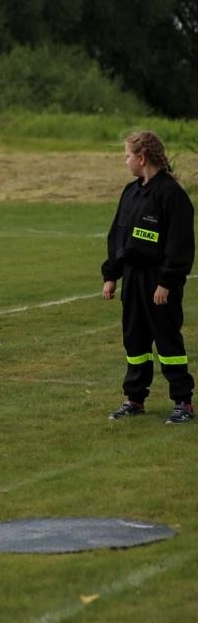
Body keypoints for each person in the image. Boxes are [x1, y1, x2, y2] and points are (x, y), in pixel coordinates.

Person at [102, 130, 195, 424]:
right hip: (133, 278)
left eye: (127, 156)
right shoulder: (130, 192)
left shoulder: (171, 194)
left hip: (158, 282)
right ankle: (135, 399)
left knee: (167, 342)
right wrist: (111, 274)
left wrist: (166, 282)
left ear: (142, 158)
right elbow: (118, 235)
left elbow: (179, 245)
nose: (125, 161)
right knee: (135, 340)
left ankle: (183, 402)